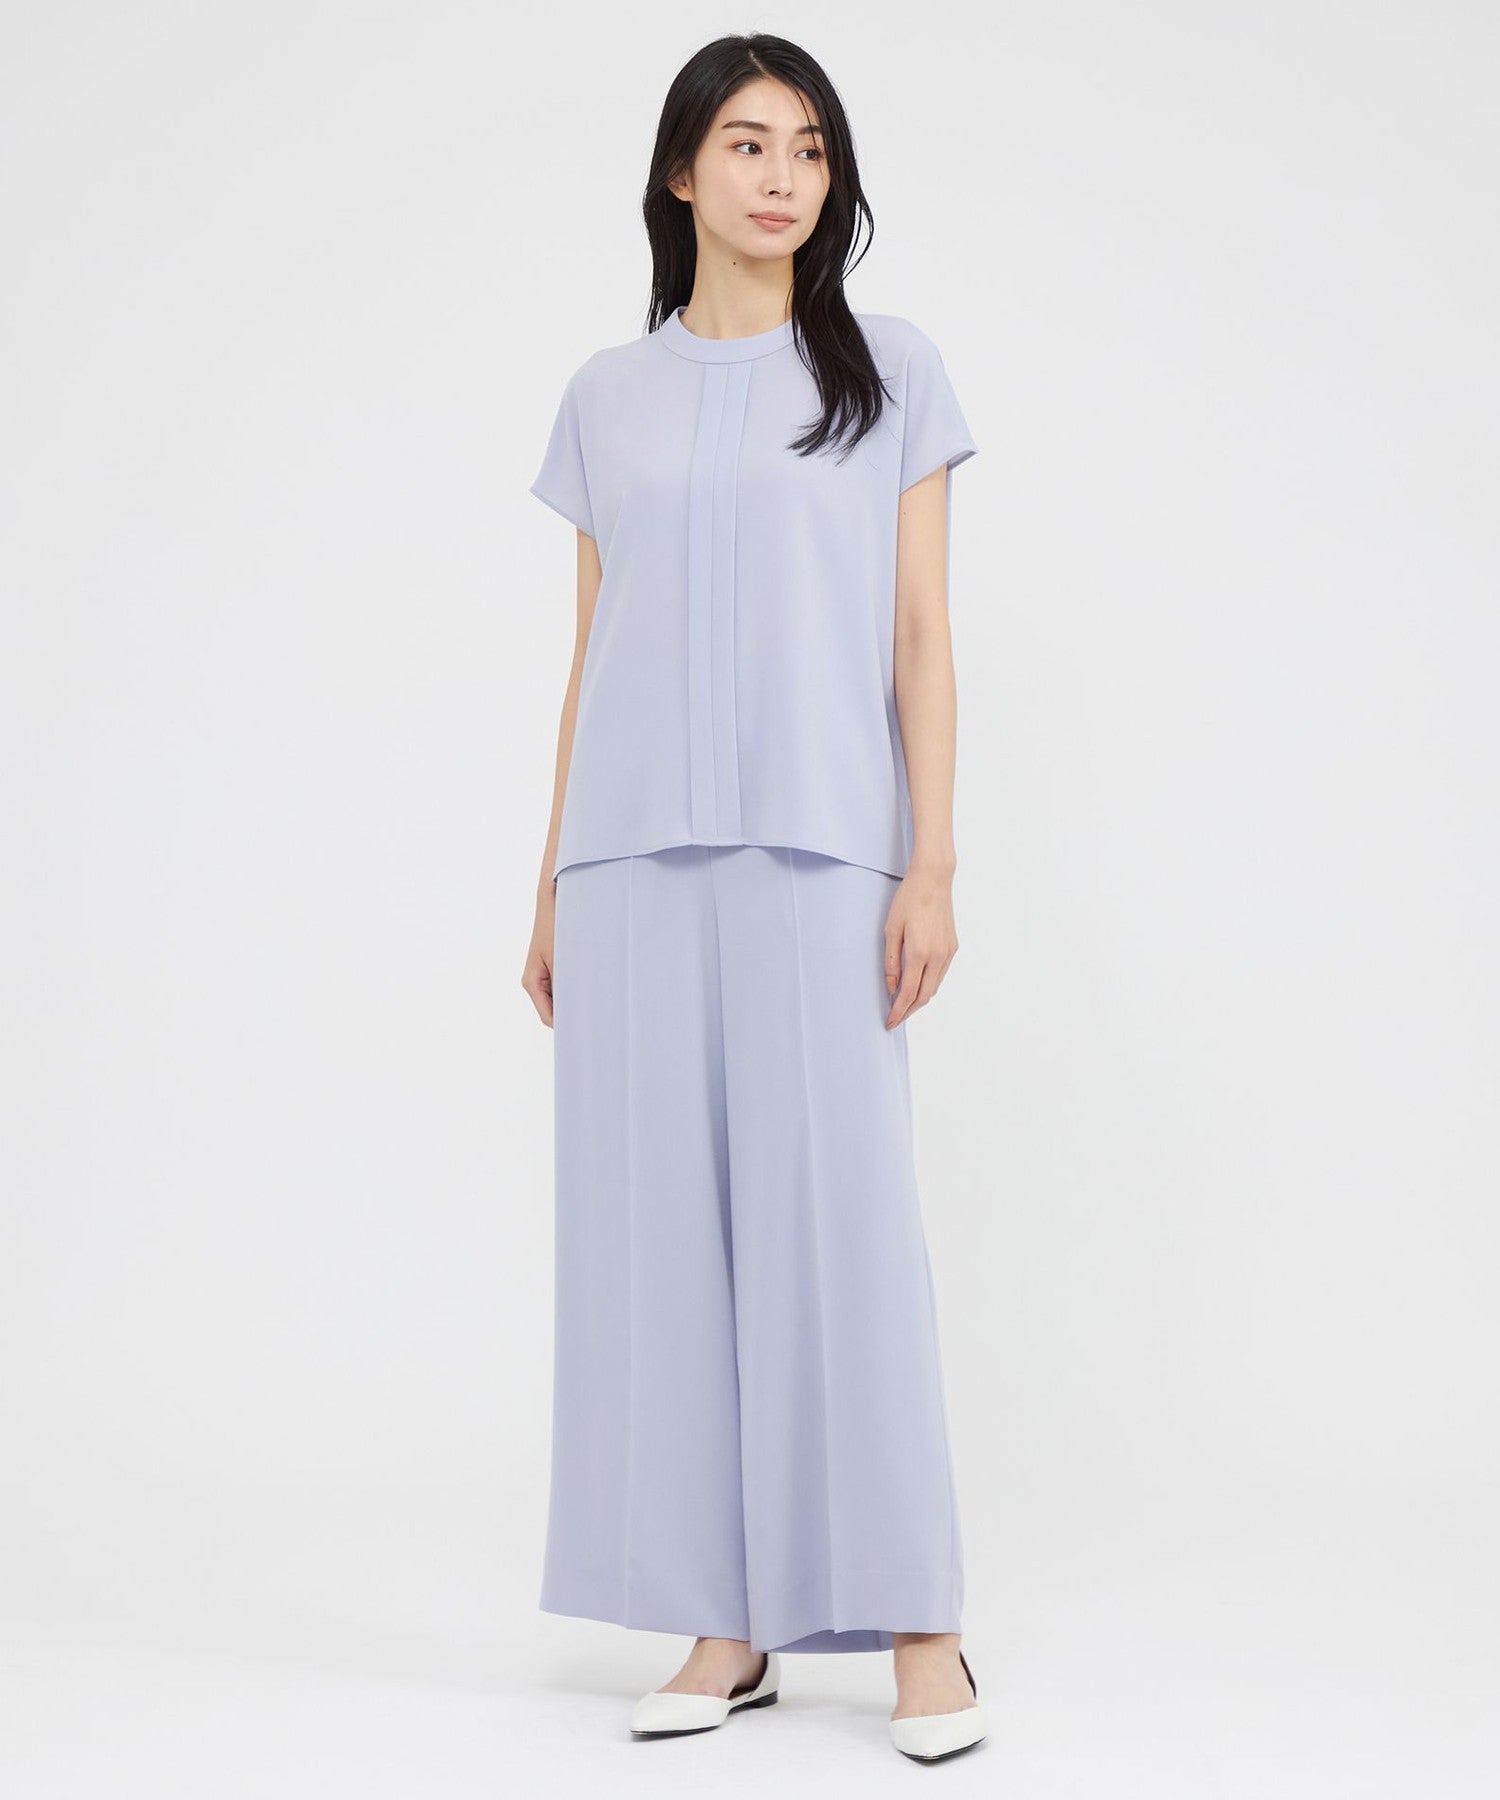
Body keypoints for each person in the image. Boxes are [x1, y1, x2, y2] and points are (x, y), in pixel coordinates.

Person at [520, 32, 986, 1764]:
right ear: (681, 172)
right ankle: (726, 1626)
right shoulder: (606, 395)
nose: (782, 175)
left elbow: (922, 636)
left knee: (842, 1232)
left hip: (821, 851)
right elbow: (594, 650)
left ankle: (925, 1629)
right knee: (659, 1246)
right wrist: (549, 880)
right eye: (745, 142)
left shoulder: (890, 374)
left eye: (808, 149)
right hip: (630, 863)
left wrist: (930, 858)